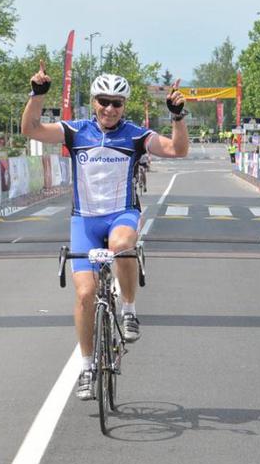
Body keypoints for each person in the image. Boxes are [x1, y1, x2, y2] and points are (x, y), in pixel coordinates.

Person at [21, 63, 189, 400]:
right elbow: (31, 129)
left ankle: (129, 310)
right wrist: (37, 95)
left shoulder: (135, 135)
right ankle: (86, 367)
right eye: (103, 101)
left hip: (120, 214)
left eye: (117, 103)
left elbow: (177, 150)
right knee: (85, 294)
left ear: (124, 105)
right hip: (84, 220)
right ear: (93, 102)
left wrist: (177, 117)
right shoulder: (76, 131)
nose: (110, 109)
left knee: (122, 245)